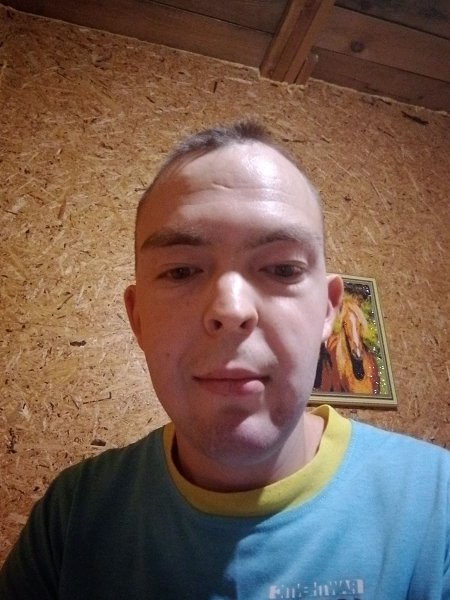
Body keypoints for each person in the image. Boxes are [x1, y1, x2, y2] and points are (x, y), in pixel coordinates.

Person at [0, 121, 449, 599]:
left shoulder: (437, 503)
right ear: (138, 318)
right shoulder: (72, 516)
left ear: (328, 310)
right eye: (181, 271)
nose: (231, 310)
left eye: (282, 268)